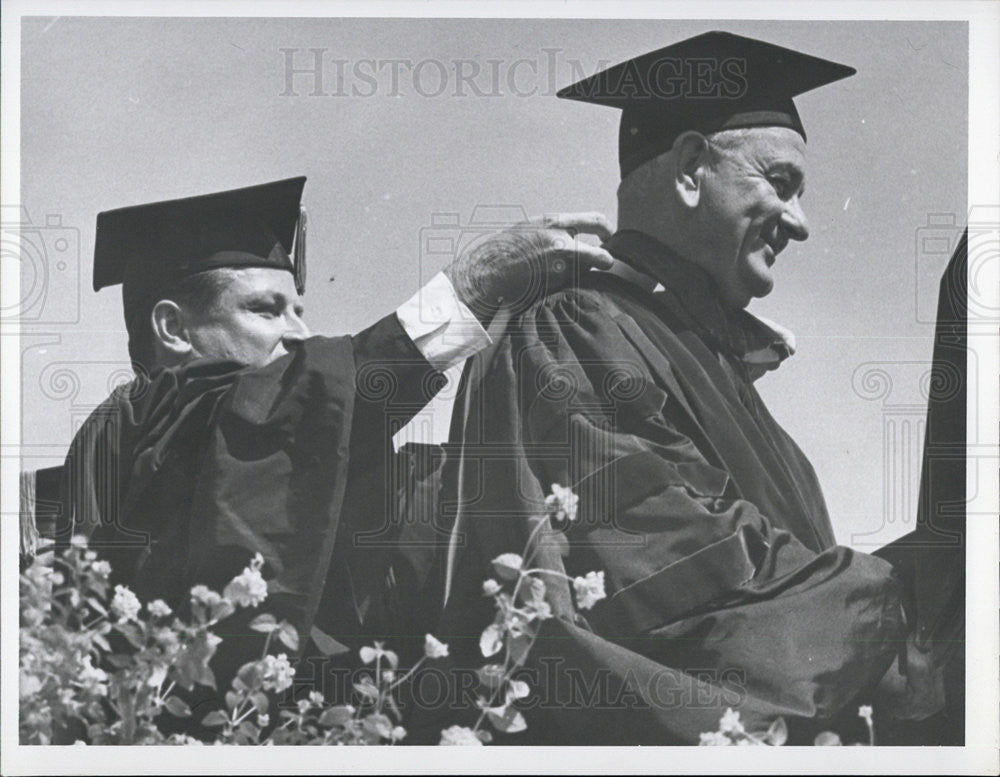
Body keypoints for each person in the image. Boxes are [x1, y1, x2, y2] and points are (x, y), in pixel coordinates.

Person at [424, 31, 912, 745]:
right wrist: (906, 599)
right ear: (690, 168)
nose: (803, 224)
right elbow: (677, 591)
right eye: (781, 183)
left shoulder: (698, 354)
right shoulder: (577, 325)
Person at [55, 175, 614, 730]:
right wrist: (470, 287)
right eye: (267, 310)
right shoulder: (137, 421)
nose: (302, 334)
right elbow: (278, 419)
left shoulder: (268, 449)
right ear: (174, 327)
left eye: (299, 309)